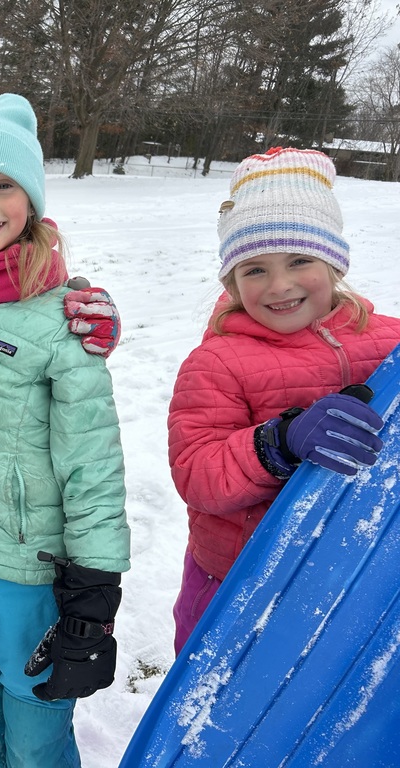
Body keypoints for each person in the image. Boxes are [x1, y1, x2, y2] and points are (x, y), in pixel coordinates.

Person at [0, 93, 130, 768]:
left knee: (35, 736)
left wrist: (95, 588)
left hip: (27, 570)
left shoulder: (67, 322)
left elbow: (92, 461)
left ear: (32, 201)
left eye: (3, 186)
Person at [168, 146, 400, 655]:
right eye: (254, 270)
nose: (280, 285)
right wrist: (278, 441)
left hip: (358, 573)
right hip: (240, 576)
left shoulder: (390, 343)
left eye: (300, 260)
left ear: (333, 263)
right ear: (232, 282)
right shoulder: (218, 361)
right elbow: (197, 474)